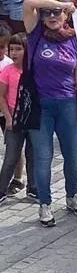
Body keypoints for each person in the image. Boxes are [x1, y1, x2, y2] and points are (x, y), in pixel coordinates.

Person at [23, 0, 77, 228]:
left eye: (56, 12)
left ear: (66, 16)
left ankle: (72, 196)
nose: (51, 17)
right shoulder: (35, 34)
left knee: (74, 157)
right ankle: (44, 203)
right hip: (41, 107)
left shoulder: (75, 39)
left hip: (68, 104)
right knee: (43, 157)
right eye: (47, 12)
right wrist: (61, 3)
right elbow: (28, 2)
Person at [0, 32, 30, 204]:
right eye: (12, 49)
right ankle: (1, 188)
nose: (13, 53)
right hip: (10, 115)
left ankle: (25, 183)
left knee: (28, 153)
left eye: (18, 49)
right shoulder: (7, 71)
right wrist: (8, 117)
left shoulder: (30, 70)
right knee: (10, 153)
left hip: (26, 119)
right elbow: (2, 96)